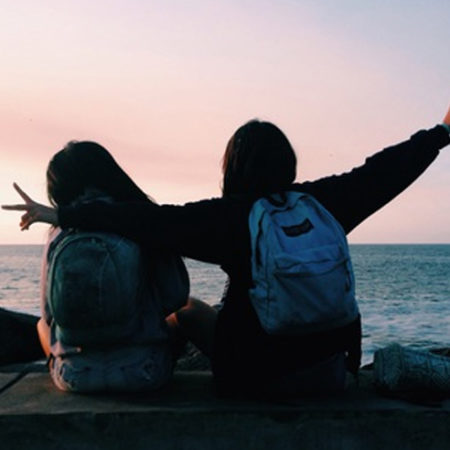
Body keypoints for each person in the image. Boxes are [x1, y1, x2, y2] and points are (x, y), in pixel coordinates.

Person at [4, 107, 450, 398]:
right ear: (289, 162)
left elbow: (148, 220)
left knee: (185, 311)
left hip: (253, 379)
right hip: (332, 376)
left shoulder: (230, 217)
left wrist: (63, 214)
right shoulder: (326, 203)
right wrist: (442, 132)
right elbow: (386, 170)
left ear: (232, 168)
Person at [3, 141, 189, 393]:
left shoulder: (59, 232)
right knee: (185, 315)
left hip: (76, 377)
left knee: (40, 326)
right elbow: (175, 296)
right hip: (144, 372)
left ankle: (63, 361)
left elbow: (48, 314)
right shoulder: (142, 220)